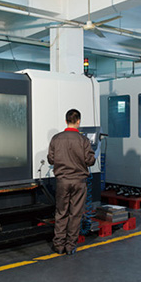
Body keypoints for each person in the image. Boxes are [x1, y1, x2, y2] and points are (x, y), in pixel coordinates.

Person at [47, 109, 96, 255]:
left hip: (62, 181)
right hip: (79, 181)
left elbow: (51, 159)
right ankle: (70, 246)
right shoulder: (84, 140)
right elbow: (90, 161)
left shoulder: (56, 138)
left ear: (66, 121)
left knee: (61, 212)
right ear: (78, 121)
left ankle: (58, 245)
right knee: (75, 213)